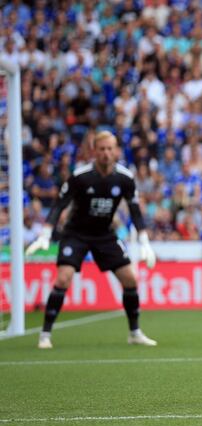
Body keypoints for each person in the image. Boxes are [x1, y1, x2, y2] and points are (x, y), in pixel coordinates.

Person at [25, 131, 158, 349]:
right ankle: (45, 334)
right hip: (76, 234)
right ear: (94, 151)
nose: (106, 153)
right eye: (102, 149)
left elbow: (135, 211)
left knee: (130, 279)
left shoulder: (124, 178)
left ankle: (134, 332)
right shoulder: (80, 176)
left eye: (110, 149)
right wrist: (46, 234)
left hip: (104, 235)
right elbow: (59, 204)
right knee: (63, 279)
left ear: (115, 151)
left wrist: (145, 242)